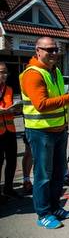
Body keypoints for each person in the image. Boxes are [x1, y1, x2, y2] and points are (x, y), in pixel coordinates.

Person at [20, 37, 69, 229]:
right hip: (41, 132)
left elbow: (56, 99)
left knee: (57, 174)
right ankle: (43, 213)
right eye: (49, 50)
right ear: (38, 51)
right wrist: (68, 98)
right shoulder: (33, 74)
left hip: (59, 130)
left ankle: (55, 207)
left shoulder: (54, 71)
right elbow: (41, 105)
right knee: (43, 175)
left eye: (56, 50)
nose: (54, 53)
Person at [0, 62, 22, 203]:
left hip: (10, 130)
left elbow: (10, 107)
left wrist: (16, 110)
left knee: (12, 161)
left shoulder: (9, 89)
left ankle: (8, 188)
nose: (4, 75)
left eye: (6, 72)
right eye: (1, 72)